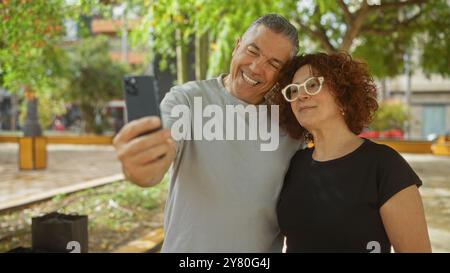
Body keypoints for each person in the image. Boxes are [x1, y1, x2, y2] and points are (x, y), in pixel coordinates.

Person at [113, 14, 301, 252]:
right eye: (253, 51)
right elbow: (156, 162)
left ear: (283, 75)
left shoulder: (291, 123)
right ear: (237, 46)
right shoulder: (187, 99)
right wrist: (142, 165)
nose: (256, 68)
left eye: (274, 64)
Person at [275, 52, 432, 253]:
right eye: (293, 90)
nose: (301, 95)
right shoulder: (295, 164)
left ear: (342, 95)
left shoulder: (384, 165)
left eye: (312, 85)